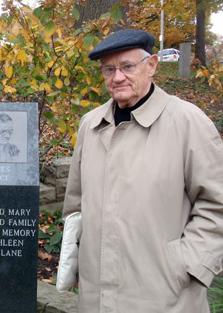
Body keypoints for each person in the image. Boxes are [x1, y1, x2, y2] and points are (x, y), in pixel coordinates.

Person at [62, 29, 223, 312]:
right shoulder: (91, 124)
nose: (118, 77)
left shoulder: (188, 122)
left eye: (127, 66)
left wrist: (188, 268)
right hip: (96, 297)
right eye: (109, 69)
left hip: (166, 298)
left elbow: (217, 205)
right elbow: (76, 205)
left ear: (152, 66)